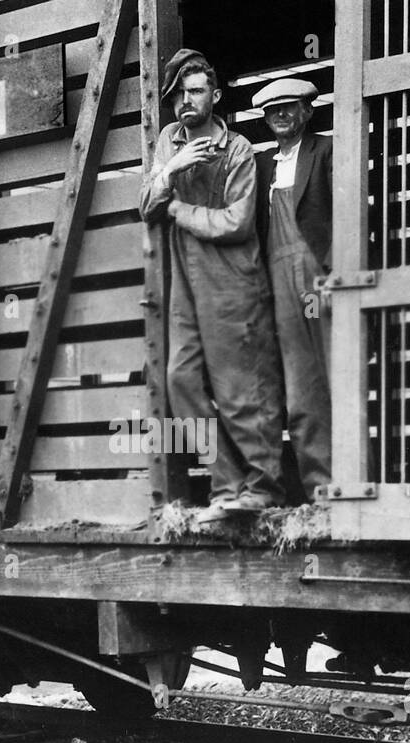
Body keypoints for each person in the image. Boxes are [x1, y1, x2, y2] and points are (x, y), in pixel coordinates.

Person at [141, 49, 285, 525]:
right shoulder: (170, 140)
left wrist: (178, 210)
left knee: (241, 385)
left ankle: (263, 487)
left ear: (216, 96)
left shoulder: (238, 149)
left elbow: (238, 222)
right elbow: (145, 204)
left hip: (231, 277)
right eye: (179, 93)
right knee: (180, 380)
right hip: (186, 280)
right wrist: (171, 168)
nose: (186, 100)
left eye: (196, 91)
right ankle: (225, 485)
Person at [253, 78, 333, 502]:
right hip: (277, 279)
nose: (281, 115)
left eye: (289, 107)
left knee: (330, 375)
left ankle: (339, 486)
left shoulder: (328, 151)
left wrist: (335, 271)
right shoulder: (262, 165)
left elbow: (351, 209)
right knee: (297, 385)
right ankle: (317, 488)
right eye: (273, 111)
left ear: (307, 110)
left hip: (316, 275)